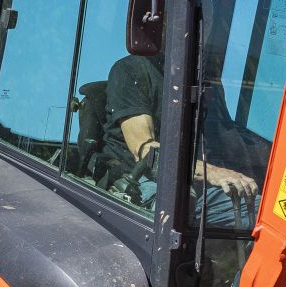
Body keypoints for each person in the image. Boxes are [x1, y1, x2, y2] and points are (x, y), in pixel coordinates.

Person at [101, 47, 261, 223]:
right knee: (175, 209)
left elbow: (227, 136)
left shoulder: (203, 77)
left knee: (265, 212)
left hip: (198, 182)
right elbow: (146, 151)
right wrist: (212, 172)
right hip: (142, 179)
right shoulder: (130, 69)